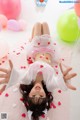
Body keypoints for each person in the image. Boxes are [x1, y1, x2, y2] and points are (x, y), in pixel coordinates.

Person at [0, 22, 77, 120]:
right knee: (45, 24)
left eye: (33, 95)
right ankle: (32, 38)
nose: (37, 91)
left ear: (28, 94)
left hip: (35, 49)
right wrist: (64, 81)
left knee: (37, 25)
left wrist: (11, 76)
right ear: (46, 95)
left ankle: (31, 38)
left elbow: (17, 76)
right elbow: (59, 82)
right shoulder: (49, 84)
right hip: (49, 49)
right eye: (41, 95)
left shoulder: (28, 79)